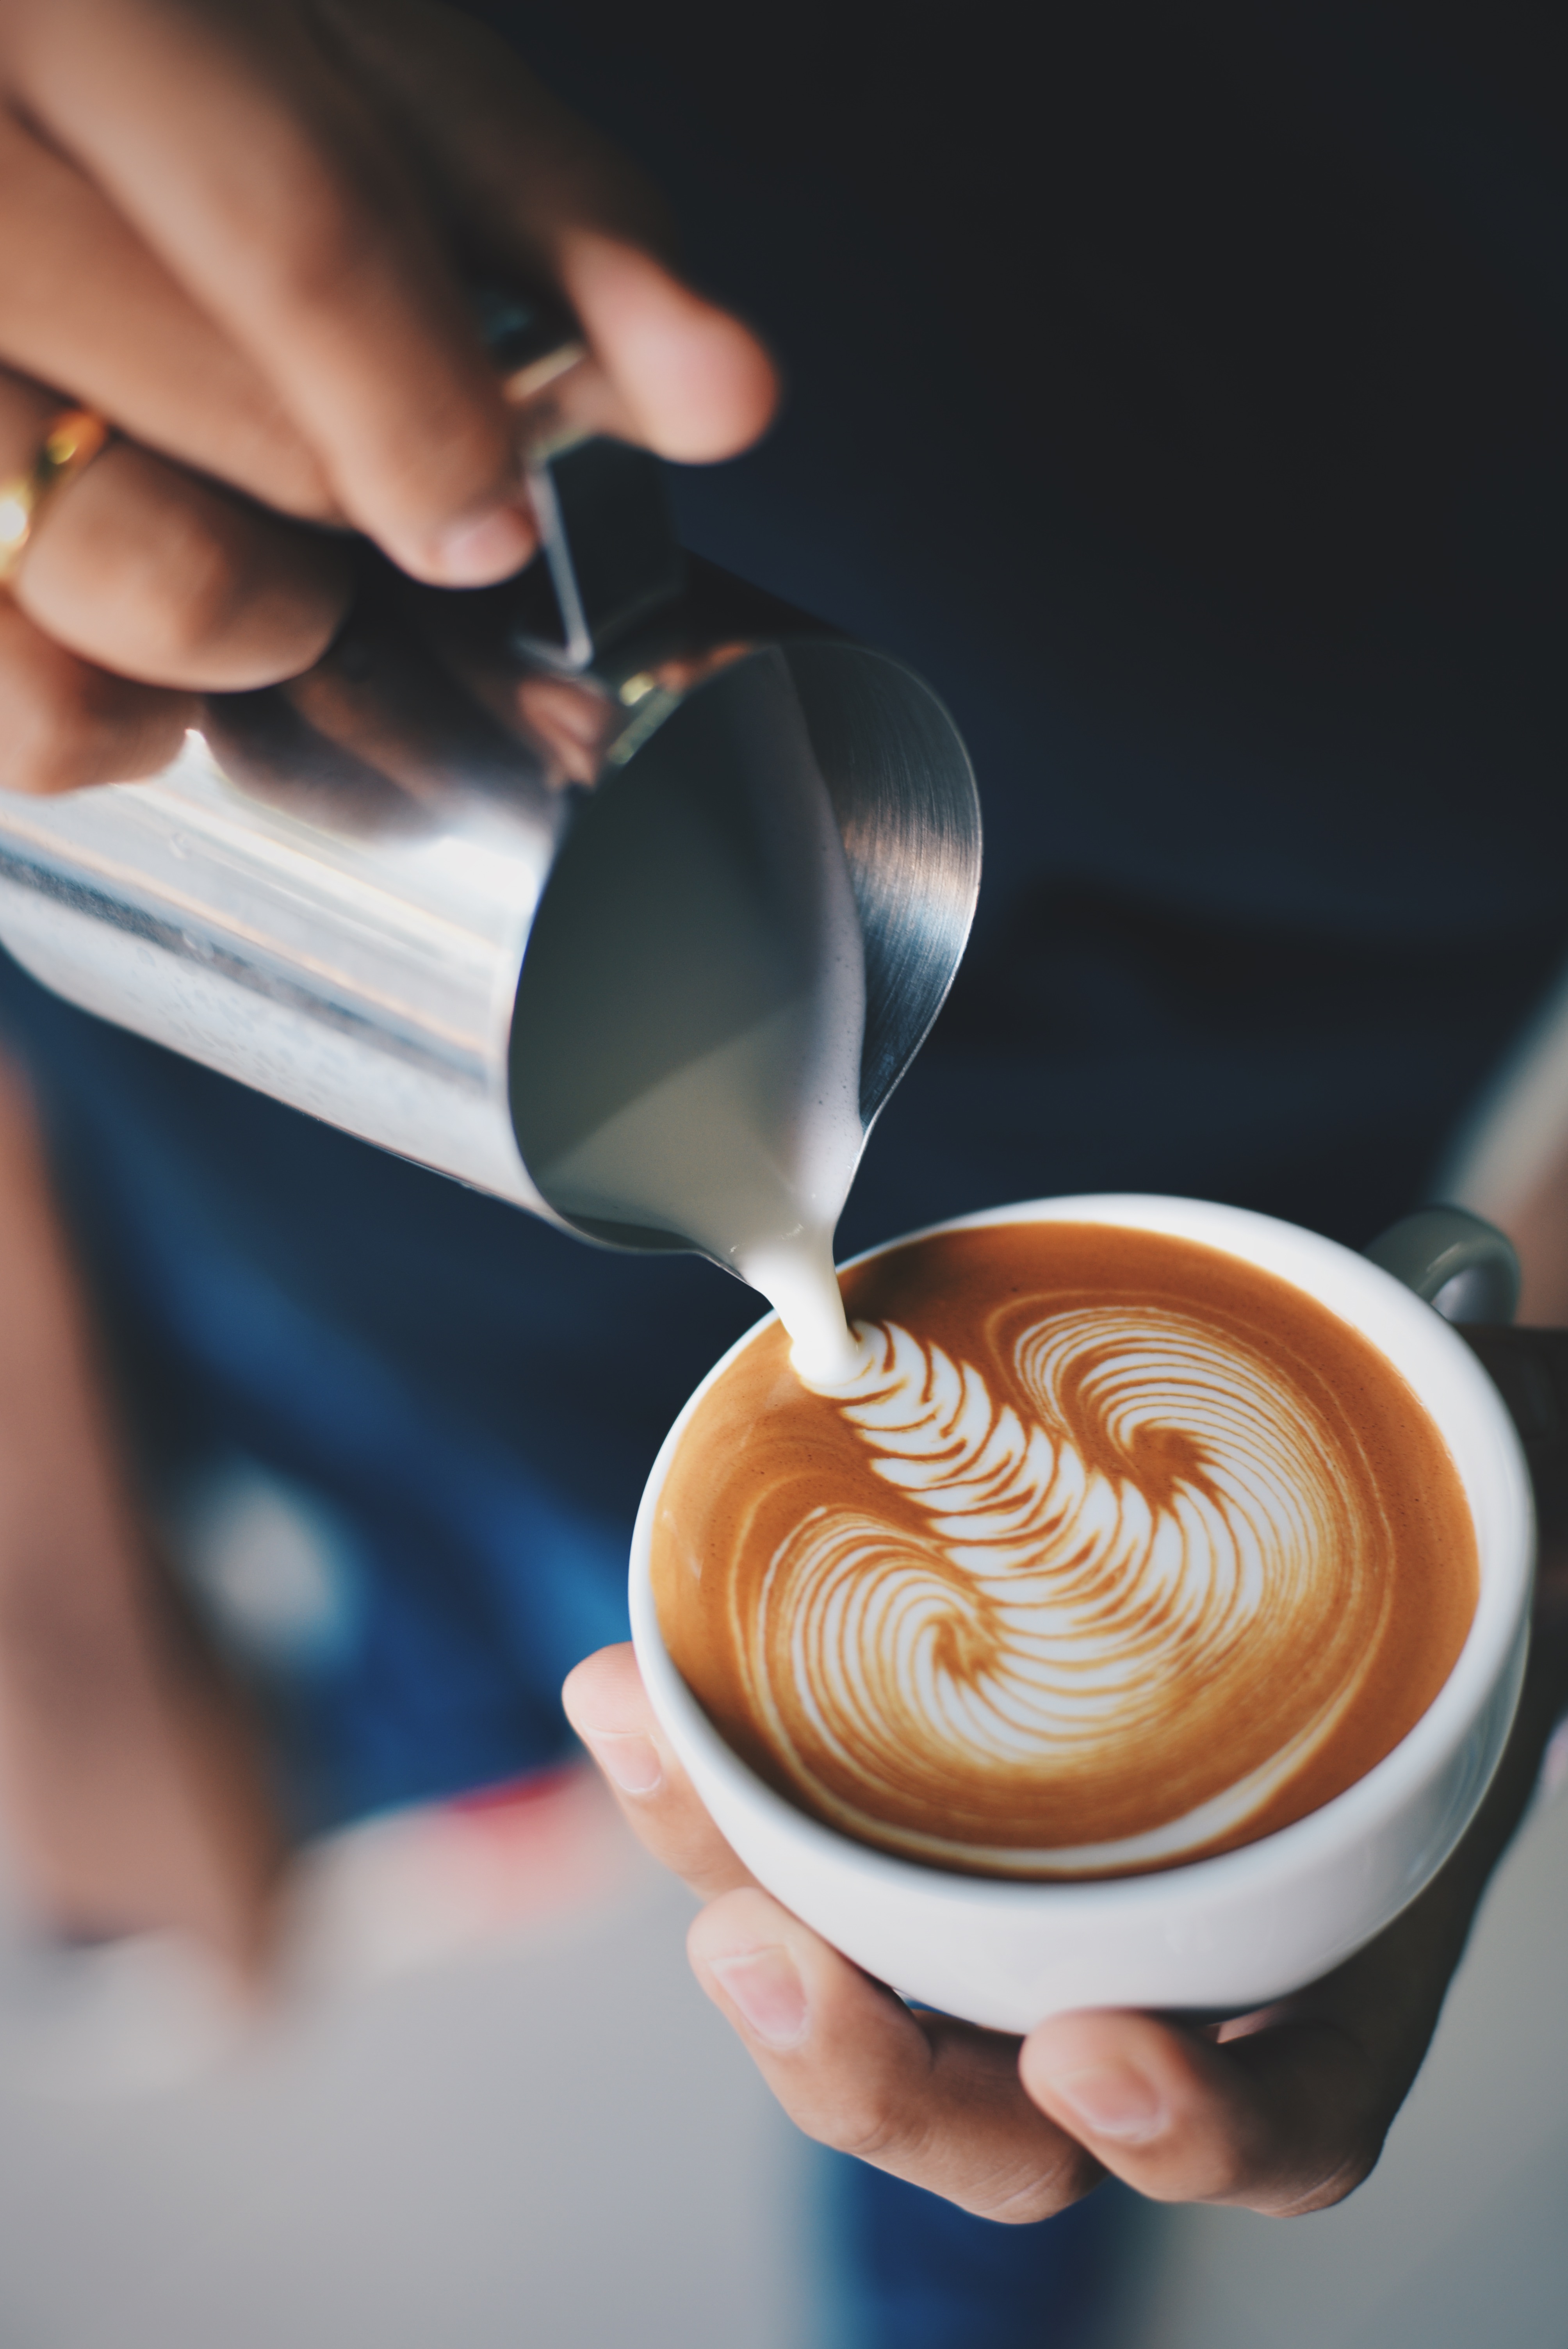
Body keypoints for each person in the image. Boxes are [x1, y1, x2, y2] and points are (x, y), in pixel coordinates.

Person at [0, 1, 1565, 2337]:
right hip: (283, 1191)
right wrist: (58, 1597)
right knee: (486, 1576)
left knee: (1005, 2075)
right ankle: (427, 1690)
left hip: (1264, 1291)